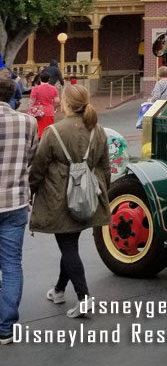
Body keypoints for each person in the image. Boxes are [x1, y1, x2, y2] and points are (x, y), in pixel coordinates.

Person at [28, 83, 111, 320]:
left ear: (65, 103)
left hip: (60, 197)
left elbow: (39, 167)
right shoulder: (98, 130)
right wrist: (105, 193)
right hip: (89, 196)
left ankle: (84, 297)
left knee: (68, 246)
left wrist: (31, 191)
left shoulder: (55, 132)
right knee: (70, 242)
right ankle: (59, 290)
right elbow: (105, 167)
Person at [0, 77, 38, 345]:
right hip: (14, 202)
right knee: (12, 265)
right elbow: (32, 156)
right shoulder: (28, 122)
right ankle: (6, 326)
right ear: (14, 95)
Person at [28, 73, 60, 138]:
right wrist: (53, 107)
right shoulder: (53, 88)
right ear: (49, 79)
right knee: (49, 130)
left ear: (40, 79)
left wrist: (30, 109)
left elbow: (32, 101)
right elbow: (57, 101)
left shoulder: (35, 88)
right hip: (49, 111)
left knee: (39, 131)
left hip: (38, 113)